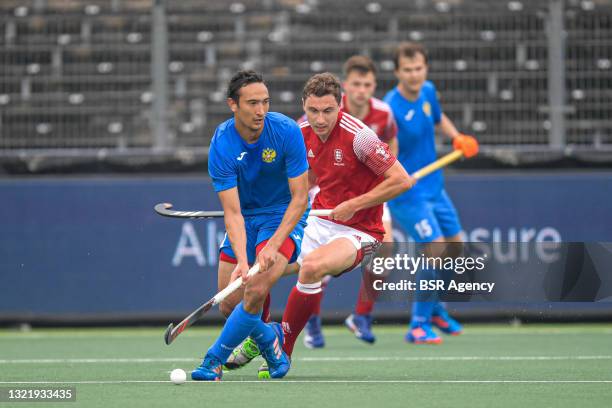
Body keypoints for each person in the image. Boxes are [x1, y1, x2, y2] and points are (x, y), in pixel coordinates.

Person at [274, 72, 413, 366]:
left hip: (360, 228)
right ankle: (257, 338)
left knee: (311, 267)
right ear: (304, 106)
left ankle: (283, 349)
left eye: (328, 111)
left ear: (340, 105)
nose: (320, 119)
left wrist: (355, 204)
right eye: (313, 111)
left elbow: (402, 181)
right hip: (320, 219)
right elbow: (302, 179)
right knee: (261, 270)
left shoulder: (360, 137)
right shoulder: (299, 133)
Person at [190, 70, 309, 381]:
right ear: (233, 104)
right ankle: (271, 342)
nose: (261, 111)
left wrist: (272, 245)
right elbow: (232, 213)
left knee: (254, 289)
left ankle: (212, 361)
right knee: (229, 303)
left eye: (265, 102)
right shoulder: (222, 143)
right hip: (245, 216)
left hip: (282, 215)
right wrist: (243, 261)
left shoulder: (285, 131)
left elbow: (299, 199)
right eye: (253, 103)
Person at [383, 42, 479, 344]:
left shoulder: (427, 91)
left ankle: (435, 308)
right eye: (408, 70)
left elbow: (438, 118)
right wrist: (396, 173)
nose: (414, 75)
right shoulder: (390, 108)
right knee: (436, 249)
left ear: (426, 68)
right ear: (398, 72)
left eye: (419, 68)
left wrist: (457, 138)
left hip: (434, 187)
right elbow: (384, 152)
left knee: (455, 247)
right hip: (407, 193)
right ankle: (418, 323)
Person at [302, 55, 399, 348]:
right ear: (346, 89)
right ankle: (311, 321)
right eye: (356, 84)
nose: (362, 90)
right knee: (316, 263)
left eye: (368, 84)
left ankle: (361, 316)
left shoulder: (383, 114)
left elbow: (392, 148)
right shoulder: (313, 120)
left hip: (369, 194)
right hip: (327, 196)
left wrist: (394, 169)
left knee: (387, 247)